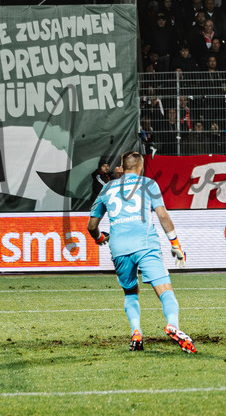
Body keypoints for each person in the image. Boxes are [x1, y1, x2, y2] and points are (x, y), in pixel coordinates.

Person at [87, 151, 196, 353]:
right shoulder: (148, 184)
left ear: (123, 167)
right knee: (164, 289)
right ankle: (173, 325)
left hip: (119, 247)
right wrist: (175, 244)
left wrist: (99, 237)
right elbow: (163, 216)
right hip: (145, 244)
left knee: (130, 292)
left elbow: (91, 225)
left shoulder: (107, 188)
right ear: (141, 167)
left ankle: (136, 332)